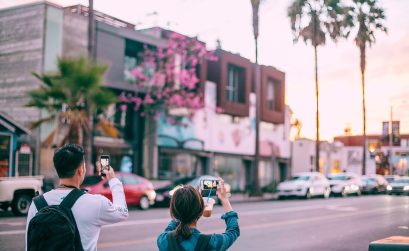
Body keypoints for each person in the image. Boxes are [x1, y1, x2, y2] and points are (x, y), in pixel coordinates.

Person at [25, 144, 128, 251]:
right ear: (80, 169)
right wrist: (113, 179)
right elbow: (123, 212)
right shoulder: (95, 203)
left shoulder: (37, 204)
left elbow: (29, 246)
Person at [157, 179, 240, 251]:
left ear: (173, 211)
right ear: (200, 211)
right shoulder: (211, 242)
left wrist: (191, 207)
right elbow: (233, 231)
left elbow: (175, 221)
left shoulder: (163, 240)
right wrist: (224, 198)